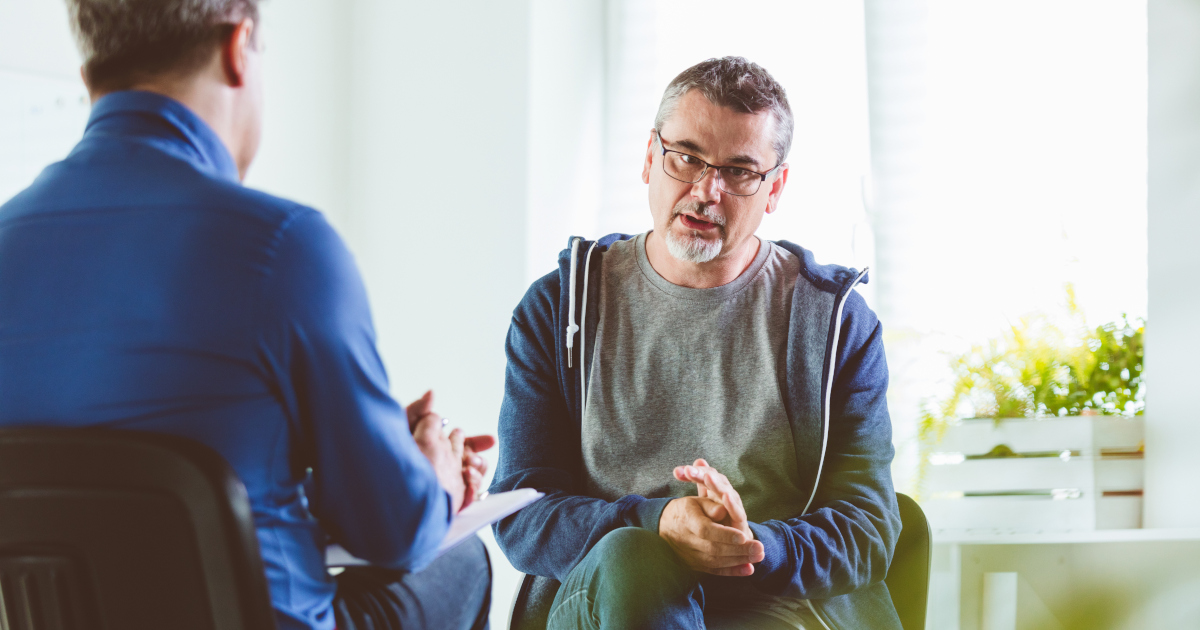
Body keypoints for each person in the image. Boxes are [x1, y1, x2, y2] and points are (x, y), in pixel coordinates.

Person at [0, 1, 492, 629]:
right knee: (462, 559)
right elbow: (394, 530)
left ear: (90, 77)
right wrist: (435, 473)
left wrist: (345, 444)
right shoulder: (283, 245)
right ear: (240, 47)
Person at [489, 56, 902, 629]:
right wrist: (656, 522)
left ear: (774, 186)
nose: (707, 191)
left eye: (739, 171)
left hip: (774, 603)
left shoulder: (834, 323)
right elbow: (520, 513)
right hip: (608, 599)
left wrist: (753, 544)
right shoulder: (559, 310)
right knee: (634, 559)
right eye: (686, 157)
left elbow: (868, 527)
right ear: (649, 158)